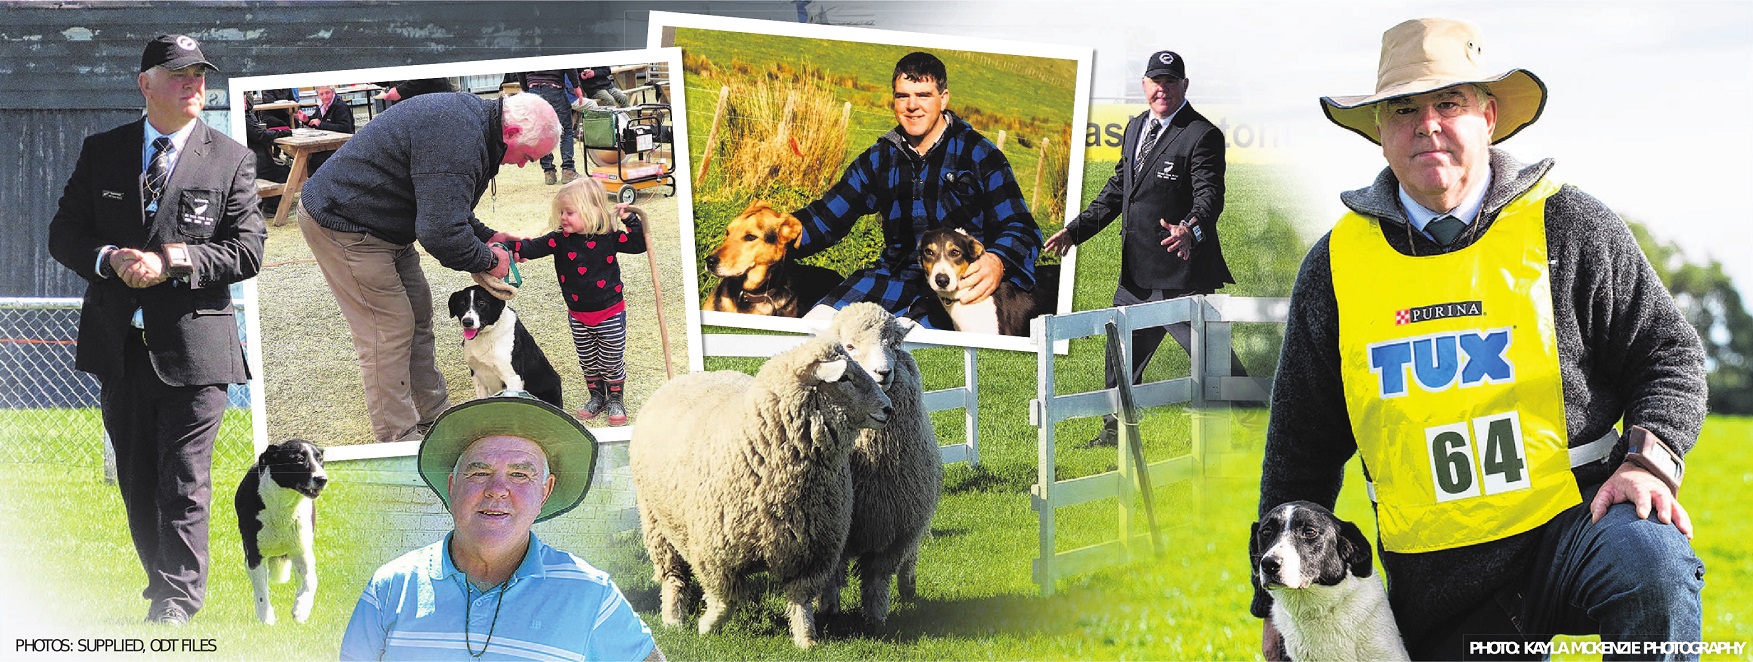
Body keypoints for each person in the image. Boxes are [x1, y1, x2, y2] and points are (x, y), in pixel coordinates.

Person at [1253, 18, 1707, 660]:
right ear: (1380, 132)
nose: (1427, 124)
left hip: (1579, 530)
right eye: (1404, 109)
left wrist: (1647, 462)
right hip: (1440, 581)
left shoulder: (1571, 226)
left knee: (1653, 569)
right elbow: (1301, 443)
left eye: (1448, 103)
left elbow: (1670, 354)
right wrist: (1271, 601)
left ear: (1488, 116)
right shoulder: (1332, 268)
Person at [46, 34, 265, 626]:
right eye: (178, 73)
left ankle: (177, 603)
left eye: (200, 73)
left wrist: (171, 261)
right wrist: (109, 257)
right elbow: (64, 234)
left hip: (199, 348)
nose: (193, 83)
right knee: (139, 481)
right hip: (120, 348)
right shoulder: (103, 151)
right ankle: (160, 588)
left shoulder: (231, 158)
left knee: (184, 479)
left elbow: (246, 252)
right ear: (145, 85)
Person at [297, 91, 560, 444]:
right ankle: (398, 439)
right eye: (528, 156)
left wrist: (487, 235)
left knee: (419, 316)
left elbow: (444, 201)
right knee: (388, 331)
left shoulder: (476, 129)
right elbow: (439, 233)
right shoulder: (458, 138)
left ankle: (434, 415)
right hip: (343, 223)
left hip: (387, 226)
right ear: (510, 132)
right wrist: (488, 259)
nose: (525, 165)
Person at [340, 392, 662, 661]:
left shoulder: (592, 594)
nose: (497, 489)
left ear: (545, 493)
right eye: (479, 472)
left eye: (520, 475)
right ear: (453, 487)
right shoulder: (389, 589)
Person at [1044, 50, 1245, 448]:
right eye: (1156, 81)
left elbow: (1210, 197)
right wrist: (1074, 231)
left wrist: (1190, 229)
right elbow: (1118, 191)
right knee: (1120, 353)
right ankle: (1113, 431)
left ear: (1184, 86)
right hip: (1136, 276)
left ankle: (1260, 423)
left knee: (1215, 361)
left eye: (1170, 82)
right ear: (1144, 85)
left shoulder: (1202, 135)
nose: (1162, 89)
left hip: (1180, 273)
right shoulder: (1135, 127)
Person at [790, 51, 1042, 327]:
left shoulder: (980, 154)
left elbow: (1020, 227)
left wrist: (997, 261)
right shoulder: (878, 158)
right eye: (902, 96)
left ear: (943, 99)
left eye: (923, 95)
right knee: (813, 328)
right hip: (888, 280)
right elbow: (827, 216)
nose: (912, 106)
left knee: (908, 358)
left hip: (954, 291)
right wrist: (774, 234)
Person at [509, 177, 647, 425]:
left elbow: (639, 244)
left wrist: (630, 221)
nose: (563, 217)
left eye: (570, 212)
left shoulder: (609, 237)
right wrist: (510, 247)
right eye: (561, 212)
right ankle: (596, 396)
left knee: (611, 360)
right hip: (578, 316)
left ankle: (615, 398)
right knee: (588, 360)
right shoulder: (559, 239)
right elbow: (531, 248)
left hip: (610, 313)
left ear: (593, 210)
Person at [506, 70, 585, 185]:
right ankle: (568, 170)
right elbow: (568, 63)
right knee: (566, 130)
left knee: (541, 131)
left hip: (533, 87)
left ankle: (549, 172)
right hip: (554, 87)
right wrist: (576, 85)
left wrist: (526, 89)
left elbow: (520, 67)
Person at [292, 84, 355, 174]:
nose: (325, 96)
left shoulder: (340, 106)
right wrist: (306, 120)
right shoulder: (321, 106)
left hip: (340, 145)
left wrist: (321, 124)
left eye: (327, 93)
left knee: (314, 161)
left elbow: (345, 128)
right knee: (306, 158)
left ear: (333, 92)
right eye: (321, 94)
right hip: (326, 144)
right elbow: (315, 121)